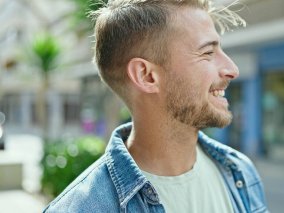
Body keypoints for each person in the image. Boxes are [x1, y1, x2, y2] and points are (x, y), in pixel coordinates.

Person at [44, 0, 268, 212]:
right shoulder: (81, 208)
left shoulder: (239, 171)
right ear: (147, 76)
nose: (232, 69)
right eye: (208, 53)